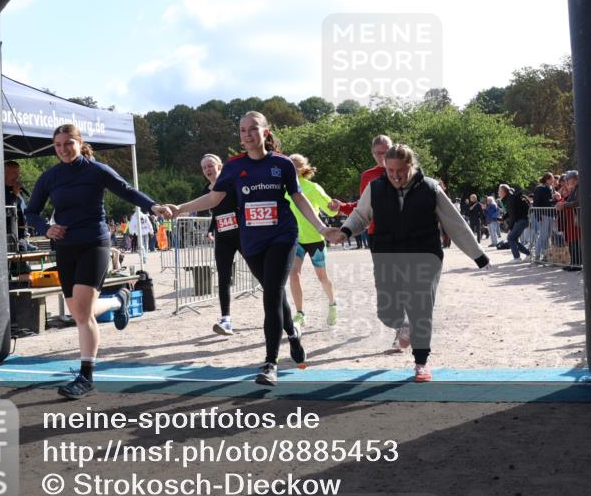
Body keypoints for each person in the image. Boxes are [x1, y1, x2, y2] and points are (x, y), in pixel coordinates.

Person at [169, 112, 331, 387]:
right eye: (242, 130)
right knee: (274, 292)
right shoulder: (234, 166)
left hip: (282, 235)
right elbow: (214, 197)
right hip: (252, 241)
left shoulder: (282, 164)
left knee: (272, 294)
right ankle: (293, 333)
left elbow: (298, 197)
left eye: (253, 129)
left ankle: (270, 364)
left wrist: (322, 228)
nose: (247, 134)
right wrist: (180, 208)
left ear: (265, 132)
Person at [25, 124, 171, 400]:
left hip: (94, 243)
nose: (63, 149)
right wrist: (46, 228)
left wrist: (153, 206)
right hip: (65, 248)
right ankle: (118, 300)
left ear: (80, 143)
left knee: (81, 314)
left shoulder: (97, 170)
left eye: (68, 143)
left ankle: (86, 377)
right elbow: (31, 212)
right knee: (81, 312)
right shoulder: (50, 177)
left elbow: (127, 190)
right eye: (58, 145)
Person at [323, 144, 492, 382]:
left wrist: (478, 255)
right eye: (390, 170)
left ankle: (421, 363)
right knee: (386, 311)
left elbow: (454, 223)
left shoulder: (430, 188)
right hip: (388, 254)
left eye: (400, 170)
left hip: (425, 254)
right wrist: (346, 231)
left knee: (421, 306)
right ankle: (402, 325)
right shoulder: (375, 188)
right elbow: (361, 215)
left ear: (411, 166)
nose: (395, 176)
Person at [286, 154, 341, 328]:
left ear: (303, 169)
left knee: (322, 277)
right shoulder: (282, 188)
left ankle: (332, 304)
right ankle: (300, 313)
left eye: (295, 166)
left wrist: (334, 206)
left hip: (315, 239)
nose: (291, 169)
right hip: (295, 240)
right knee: (293, 274)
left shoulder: (312, 188)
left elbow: (331, 211)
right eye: (289, 165)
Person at [198, 153, 242, 336]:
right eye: (204, 167)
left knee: (261, 274)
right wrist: (210, 229)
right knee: (223, 278)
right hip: (223, 237)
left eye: (210, 165)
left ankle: (278, 311)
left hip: (242, 234)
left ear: (220, 166)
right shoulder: (206, 190)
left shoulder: (232, 183)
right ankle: (226, 320)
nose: (208, 169)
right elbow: (216, 213)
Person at [556, 171, 582, 271]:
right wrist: (561, 203)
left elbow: (578, 202)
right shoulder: (574, 188)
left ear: (574, 179)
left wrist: (564, 205)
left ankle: (577, 264)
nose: (567, 182)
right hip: (572, 219)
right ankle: (573, 262)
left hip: (577, 218)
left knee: (576, 241)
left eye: (568, 180)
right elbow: (569, 201)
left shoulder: (580, 187)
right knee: (572, 241)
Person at [498, 184, 530, 260]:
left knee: (510, 238)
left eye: (499, 191)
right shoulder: (509, 198)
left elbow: (513, 215)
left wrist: (510, 228)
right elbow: (510, 212)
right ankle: (528, 254)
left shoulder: (510, 199)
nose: (498, 193)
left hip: (521, 221)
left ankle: (517, 257)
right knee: (513, 239)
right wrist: (503, 218)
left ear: (503, 192)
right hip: (522, 220)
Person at [531, 173, 557, 260]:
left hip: (550, 214)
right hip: (543, 215)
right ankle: (537, 255)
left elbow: (550, 201)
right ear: (547, 179)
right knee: (542, 235)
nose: (553, 180)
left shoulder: (551, 188)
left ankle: (545, 255)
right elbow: (536, 203)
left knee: (547, 236)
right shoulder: (539, 188)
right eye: (552, 178)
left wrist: (555, 199)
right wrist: (538, 217)